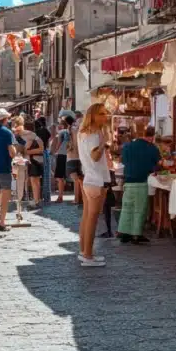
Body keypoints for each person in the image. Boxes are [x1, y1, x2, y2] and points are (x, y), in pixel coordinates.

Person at [77, 103, 111, 267]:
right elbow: (95, 156)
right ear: (94, 115)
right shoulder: (94, 134)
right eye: (102, 114)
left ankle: (84, 252)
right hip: (96, 179)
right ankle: (88, 255)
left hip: (89, 178)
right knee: (92, 218)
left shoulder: (83, 133)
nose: (106, 117)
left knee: (87, 217)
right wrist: (104, 142)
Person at [118, 121, 161, 244]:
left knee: (127, 208)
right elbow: (157, 165)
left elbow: (124, 162)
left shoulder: (127, 146)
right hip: (141, 181)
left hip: (128, 182)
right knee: (139, 210)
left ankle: (124, 233)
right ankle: (136, 234)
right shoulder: (152, 148)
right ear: (151, 136)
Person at [50, 112, 75, 203]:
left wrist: (55, 151)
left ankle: (60, 196)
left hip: (61, 154)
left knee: (60, 177)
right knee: (72, 177)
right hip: (69, 154)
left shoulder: (62, 132)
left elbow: (59, 143)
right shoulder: (72, 131)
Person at [66, 111, 84, 206]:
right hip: (80, 157)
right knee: (80, 180)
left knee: (76, 180)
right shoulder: (79, 130)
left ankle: (77, 199)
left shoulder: (70, 130)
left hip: (71, 157)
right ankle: (81, 199)